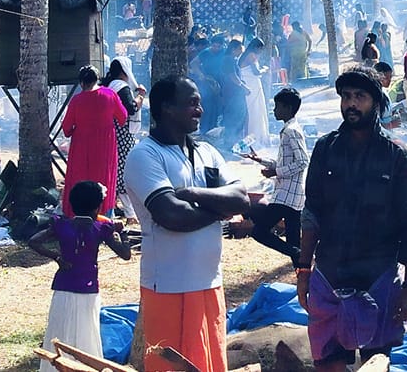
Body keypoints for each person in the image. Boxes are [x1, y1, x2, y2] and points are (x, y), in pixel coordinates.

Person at [124, 76, 257, 372]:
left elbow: (242, 199)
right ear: (167, 108)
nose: (200, 110)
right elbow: (172, 215)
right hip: (169, 287)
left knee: (210, 364)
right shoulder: (144, 155)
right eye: (192, 103)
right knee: (170, 365)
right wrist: (219, 209)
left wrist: (194, 195)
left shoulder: (207, 152)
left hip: (210, 283)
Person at [297, 67, 407, 371]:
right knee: (327, 362)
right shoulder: (325, 149)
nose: (351, 104)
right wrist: (304, 270)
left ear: (376, 102)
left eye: (360, 97)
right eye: (346, 97)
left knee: (376, 364)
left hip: (377, 277)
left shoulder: (397, 157)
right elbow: (311, 212)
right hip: (329, 274)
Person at [28, 180, 133, 372]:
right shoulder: (101, 229)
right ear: (97, 206)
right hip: (88, 287)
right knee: (86, 330)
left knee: (59, 327)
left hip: (63, 285)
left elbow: (34, 241)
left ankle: (55, 365)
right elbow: (126, 254)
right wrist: (122, 232)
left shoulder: (61, 225)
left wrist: (57, 257)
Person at [242, 87, 308, 259]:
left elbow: (302, 161)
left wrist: (275, 172)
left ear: (287, 108)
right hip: (293, 195)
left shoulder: (291, 131)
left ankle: (300, 255)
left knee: (259, 231)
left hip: (286, 195)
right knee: (293, 239)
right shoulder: (289, 129)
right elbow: (286, 162)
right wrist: (259, 160)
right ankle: (303, 278)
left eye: (277, 106)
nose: (274, 110)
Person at [62, 65, 127, 216]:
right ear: (98, 80)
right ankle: (104, 216)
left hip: (81, 147)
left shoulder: (76, 101)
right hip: (105, 146)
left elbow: (66, 130)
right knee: (105, 179)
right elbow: (123, 118)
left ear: (81, 83)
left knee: (79, 179)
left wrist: (76, 130)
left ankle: (76, 215)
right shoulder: (110, 95)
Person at [104, 58, 143, 215]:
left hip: (112, 130)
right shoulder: (122, 87)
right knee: (123, 169)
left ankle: (114, 206)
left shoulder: (109, 85)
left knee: (117, 168)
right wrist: (140, 95)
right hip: (123, 132)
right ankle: (129, 212)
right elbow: (132, 108)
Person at [240, 44, 270, 148]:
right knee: (255, 110)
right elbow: (256, 72)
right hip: (251, 84)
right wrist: (265, 69)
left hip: (250, 83)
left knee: (254, 109)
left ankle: (254, 135)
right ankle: (255, 135)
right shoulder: (252, 55)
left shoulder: (245, 55)